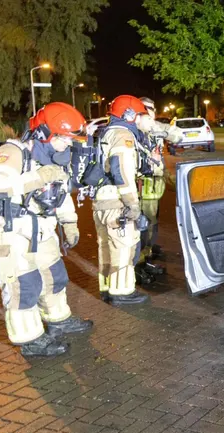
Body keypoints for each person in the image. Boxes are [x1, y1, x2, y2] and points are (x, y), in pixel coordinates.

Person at [0, 102, 93, 357]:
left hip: (38, 228)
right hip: (6, 230)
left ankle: (58, 319)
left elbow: (60, 195)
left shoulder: (52, 158)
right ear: (44, 134)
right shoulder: (13, 152)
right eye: (63, 139)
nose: (67, 146)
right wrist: (37, 178)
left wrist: (70, 222)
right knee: (23, 285)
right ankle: (29, 339)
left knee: (55, 275)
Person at [93, 95, 152, 306]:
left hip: (102, 199)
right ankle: (122, 292)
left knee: (107, 247)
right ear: (129, 115)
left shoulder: (107, 132)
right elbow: (123, 171)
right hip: (117, 202)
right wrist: (132, 204)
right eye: (139, 116)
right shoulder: (122, 135)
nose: (140, 120)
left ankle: (108, 288)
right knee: (124, 246)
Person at [134, 97, 184, 284]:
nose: (149, 113)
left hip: (155, 188)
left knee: (152, 226)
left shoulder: (153, 128)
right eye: (145, 110)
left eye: (151, 109)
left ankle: (147, 256)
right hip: (141, 189)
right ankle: (139, 265)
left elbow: (178, 136)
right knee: (141, 228)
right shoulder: (134, 132)